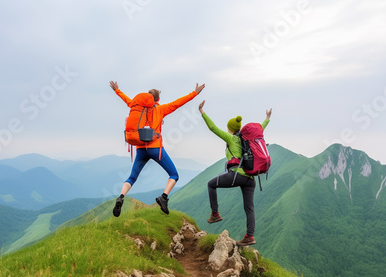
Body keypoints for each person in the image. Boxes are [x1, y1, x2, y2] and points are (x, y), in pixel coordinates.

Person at [110, 81, 205, 217]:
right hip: (155, 149)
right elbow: (178, 103)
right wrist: (195, 93)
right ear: (158, 99)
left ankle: (121, 197)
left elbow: (127, 100)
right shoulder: (161, 109)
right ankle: (164, 197)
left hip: (141, 149)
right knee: (174, 175)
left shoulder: (136, 107)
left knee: (132, 177)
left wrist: (117, 90)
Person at [198, 100, 272, 246]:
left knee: (211, 184)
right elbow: (261, 129)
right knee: (249, 208)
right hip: (250, 179)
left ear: (230, 129)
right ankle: (250, 236)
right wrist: (267, 119)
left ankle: (215, 214)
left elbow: (212, 128)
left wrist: (202, 112)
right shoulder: (247, 139)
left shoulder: (231, 138)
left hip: (236, 176)